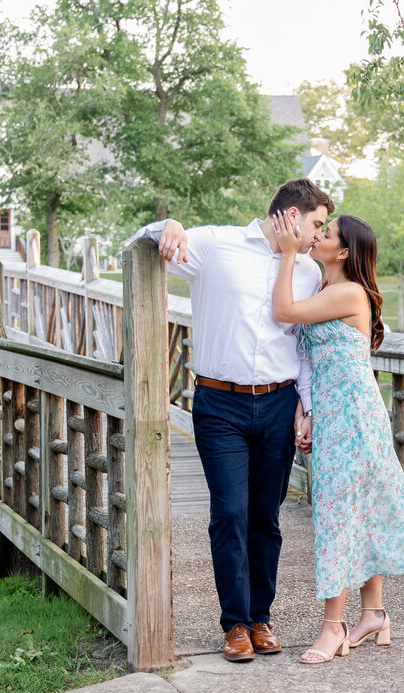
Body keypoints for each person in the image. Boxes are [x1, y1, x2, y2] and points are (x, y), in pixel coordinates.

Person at [134, 179, 334, 662]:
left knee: (265, 516)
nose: (318, 235)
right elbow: (143, 236)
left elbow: (304, 348)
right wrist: (171, 224)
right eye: (316, 224)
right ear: (290, 215)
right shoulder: (217, 244)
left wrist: (305, 406)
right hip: (219, 404)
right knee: (228, 513)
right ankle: (235, 625)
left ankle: (261, 617)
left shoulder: (307, 272)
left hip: (280, 403)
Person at [270, 212, 404, 664]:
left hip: (354, 418)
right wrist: (304, 412)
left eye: (326, 233)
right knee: (357, 512)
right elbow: (308, 362)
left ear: (343, 252)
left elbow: (282, 311)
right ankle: (374, 614)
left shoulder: (348, 292)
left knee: (339, 517)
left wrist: (286, 254)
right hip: (332, 415)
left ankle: (332, 628)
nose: (316, 235)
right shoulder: (325, 289)